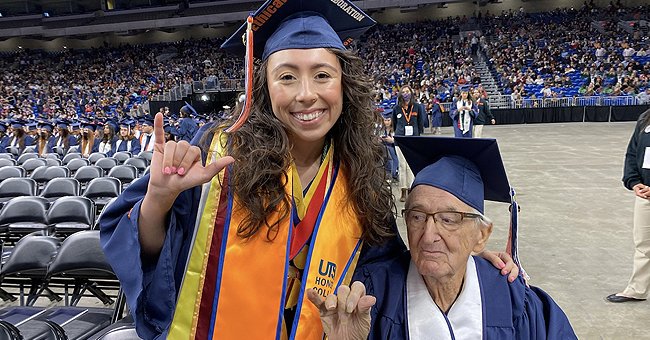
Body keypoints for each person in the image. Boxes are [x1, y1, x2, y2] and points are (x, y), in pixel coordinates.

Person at [99, 1, 518, 339]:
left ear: (343, 84)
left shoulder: (359, 171)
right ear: (263, 86)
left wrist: (465, 255)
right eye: (287, 77)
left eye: (322, 75)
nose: (306, 95)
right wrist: (159, 198)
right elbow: (150, 254)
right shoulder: (215, 151)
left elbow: (385, 266)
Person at [309, 136, 577, 339]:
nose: (429, 235)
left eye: (449, 220)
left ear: (481, 236)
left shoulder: (515, 300)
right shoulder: (372, 295)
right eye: (417, 216)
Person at [607, 108, 650, 303]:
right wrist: (634, 182)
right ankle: (637, 289)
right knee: (643, 245)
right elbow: (632, 154)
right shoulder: (645, 118)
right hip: (645, 195)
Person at [392, 85, 426, 202]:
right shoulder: (396, 108)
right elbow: (394, 123)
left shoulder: (417, 107)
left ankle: (412, 190)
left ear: (411, 93)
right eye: (403, 92)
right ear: (400, 94)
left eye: (407, 91)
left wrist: (418, 137)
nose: (405, 93)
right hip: (400, 139)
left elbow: (420, 122)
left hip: (413, 139)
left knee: (411, 166)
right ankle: (403, 190)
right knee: (402, 166)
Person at [379, 110, 398, 183]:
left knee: (390, 150)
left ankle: (393, 173)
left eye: (388, 120)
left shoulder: (396, 129)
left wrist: (392, 141)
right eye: (385, 120)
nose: (386, 122)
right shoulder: (380, 129)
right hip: (383, 149)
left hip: (394, 150)